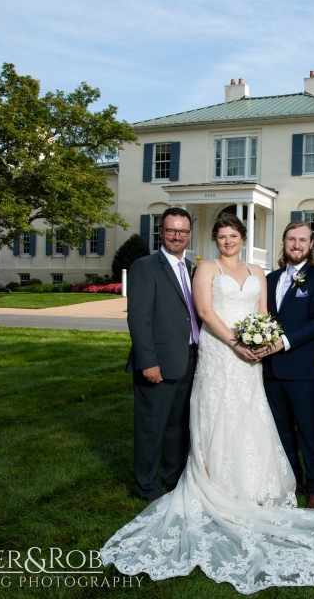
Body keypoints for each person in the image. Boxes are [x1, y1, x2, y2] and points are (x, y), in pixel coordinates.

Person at [101, 213, 314, 594]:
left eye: (234, 235)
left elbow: (265, 313)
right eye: (222, 235)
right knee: (217, 415)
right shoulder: (206, 269)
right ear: (216, 238)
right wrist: (237, 341)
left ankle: (274, 485)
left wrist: (263, 340)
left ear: (243, 238)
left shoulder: (261, 270)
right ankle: (213, 481)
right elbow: (204, 312)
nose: (228, 240)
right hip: (220, 352)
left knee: (255, 417)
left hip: (255, 358)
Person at [255, 221, 314, 509]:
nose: (296, 244)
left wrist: (283, 342)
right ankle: (292, 479)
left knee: (309, 430)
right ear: (284, 241)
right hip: (271, 369)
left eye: (303, 239)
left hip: (303, 370)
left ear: (311, 245)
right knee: (280, 430)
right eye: (291, 239)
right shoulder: (270, 278)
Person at [124, 207, 199, 500]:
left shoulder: (192, 268)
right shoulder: (145, 266)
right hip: (158, 361)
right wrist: (148, 361)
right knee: (150, 427)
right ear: (161, 232)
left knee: (178, 426)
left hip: (189, 358)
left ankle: (173, 477)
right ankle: (146, 486)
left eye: (182, 231)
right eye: (171, 230)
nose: (176, 236)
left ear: (189, 234)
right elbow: (138, 318)